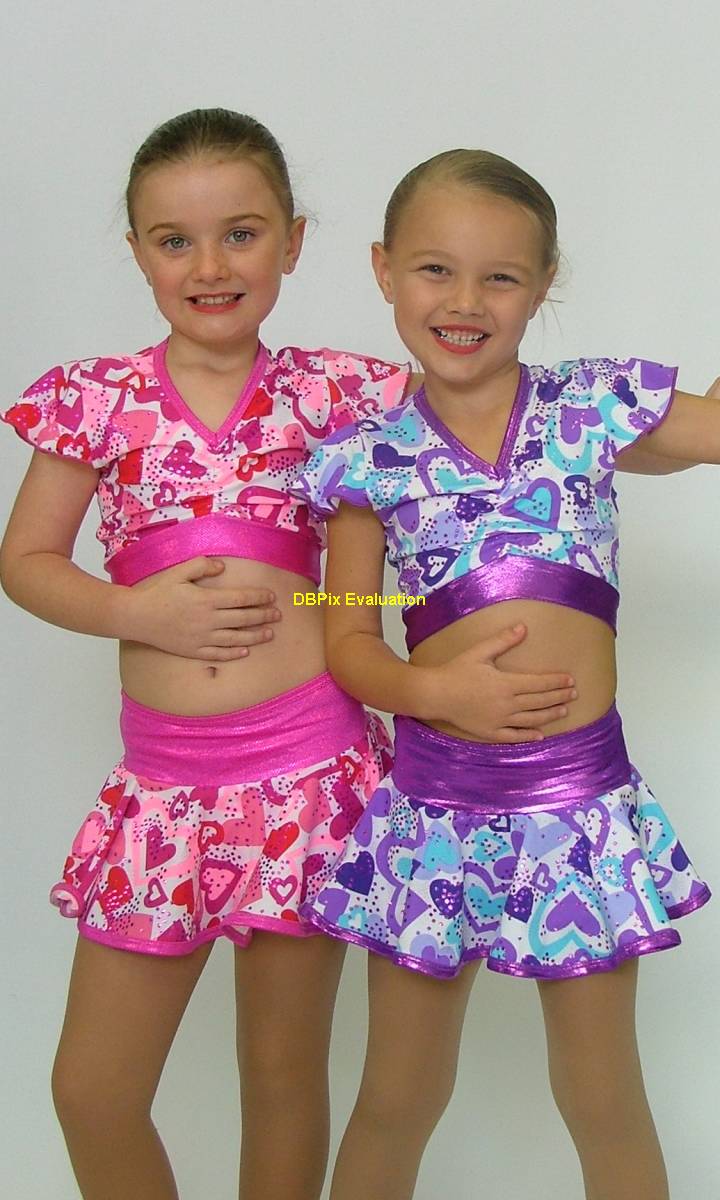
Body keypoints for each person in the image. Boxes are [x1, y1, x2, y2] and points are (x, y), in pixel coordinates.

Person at [0, 115, 580, 1200]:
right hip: (162, 789)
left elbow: (484, 391)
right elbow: (25, 562)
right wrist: (137, 613)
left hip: (307, 781)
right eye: (175, 241)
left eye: (242, 234)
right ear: (136, 251)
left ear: (294, 242)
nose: (210, 266)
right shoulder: (95, 399)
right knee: (92, 1091)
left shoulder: (338, 393)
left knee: (280, 1076)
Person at [291, 148, 714, 1200]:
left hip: (581, 809)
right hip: (435, 809)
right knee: (397, 1097)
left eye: (502, 277)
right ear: (384, 270)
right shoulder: (368, 458)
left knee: (604, 1098)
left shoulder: (590, 406)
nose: (465, 302)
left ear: (544, 283)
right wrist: (434, 693)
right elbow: (344, 636)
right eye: (436, 270)